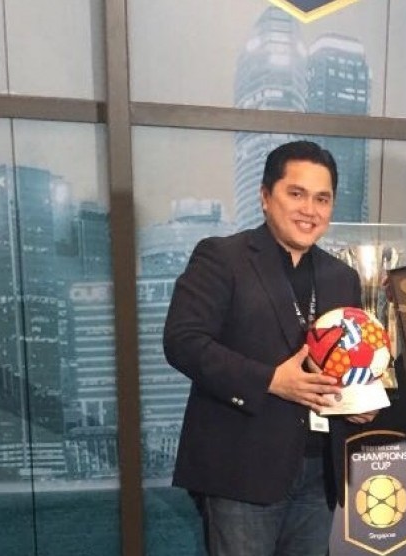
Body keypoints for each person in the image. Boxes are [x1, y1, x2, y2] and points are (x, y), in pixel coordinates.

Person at [164, 140, 376, 556]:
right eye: (295, 194)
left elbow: (347, 359)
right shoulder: (222, 257)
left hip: (320, 474)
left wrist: (357, 400)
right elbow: (183, 341)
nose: (309, 210)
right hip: (241, 471)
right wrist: (271, 381)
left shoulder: (342, 277)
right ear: (265, 197)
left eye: (322, 198)